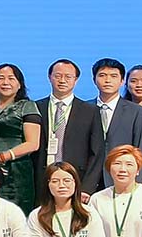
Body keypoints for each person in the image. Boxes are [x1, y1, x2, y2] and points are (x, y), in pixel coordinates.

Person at [0, 63, 44, 214]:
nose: (5, 82)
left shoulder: (27, 106)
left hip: (17, 171)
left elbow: (33, 143)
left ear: (19, 84)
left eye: (11, 78)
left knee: (16, 215)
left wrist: (4, 157)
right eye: (1, 78)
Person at [40, 59, 105, 196]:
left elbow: (97, 152)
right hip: (41, 179)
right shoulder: (36, 107)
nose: (62, 80)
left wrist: (87, 188)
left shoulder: (90, 111)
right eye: (58, 76)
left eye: (68, 77)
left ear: (76, 80)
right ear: (49, 77)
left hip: (76, 179)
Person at [94, 59, 142, 191]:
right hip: (89, 180)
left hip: (123, 177)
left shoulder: (136, 111)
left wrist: (138, 184)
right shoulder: (84, 108)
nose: (107, 80)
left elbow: (141, 149)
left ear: (122, 81)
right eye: (102, 75)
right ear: (94, 80)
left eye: (113, 76)